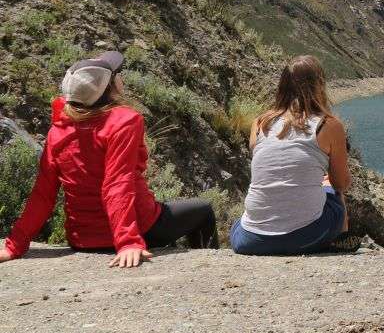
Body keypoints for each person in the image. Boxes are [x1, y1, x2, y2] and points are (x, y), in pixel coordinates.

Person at [0, 51, 218, 268]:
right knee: (204, 210)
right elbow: (117, 182)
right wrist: (128, 241)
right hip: (137, 229)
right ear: (108, 87)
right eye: (118, 74)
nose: (122, 78)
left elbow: (43, 194)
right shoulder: (123, 121)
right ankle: (208, 269)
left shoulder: (58, 130)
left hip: (82, 239)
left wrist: (15, 245)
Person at [230, 55, 356, 255]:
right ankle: (340, 242)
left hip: (248, 241)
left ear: (282, 85)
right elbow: (342, 183)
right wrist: (326, 181)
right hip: (305, 236)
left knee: (242, 220)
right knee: (335, 192)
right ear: (319, 86)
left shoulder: (260, 123)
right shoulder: (329, 125)